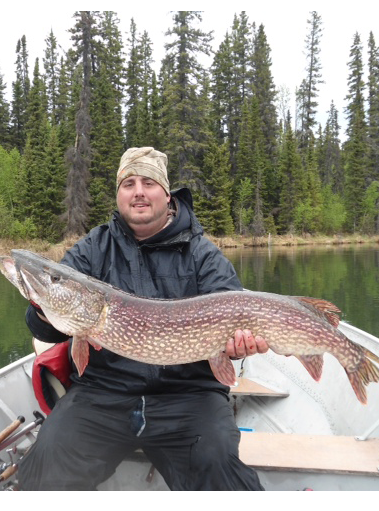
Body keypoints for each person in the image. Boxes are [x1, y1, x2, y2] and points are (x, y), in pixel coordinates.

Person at [18, 147, 269, 491]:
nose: (138, 191)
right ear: (119, 194)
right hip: (103, 394)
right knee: (46, 464)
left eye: (148, 182)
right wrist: (43, 305)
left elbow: (236, 323)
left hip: (189, 397)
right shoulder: (93, 248)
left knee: (220, 468)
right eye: (128, 183)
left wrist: (238, 348)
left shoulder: (202, 254)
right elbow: (42, 328)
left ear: (167, 195)